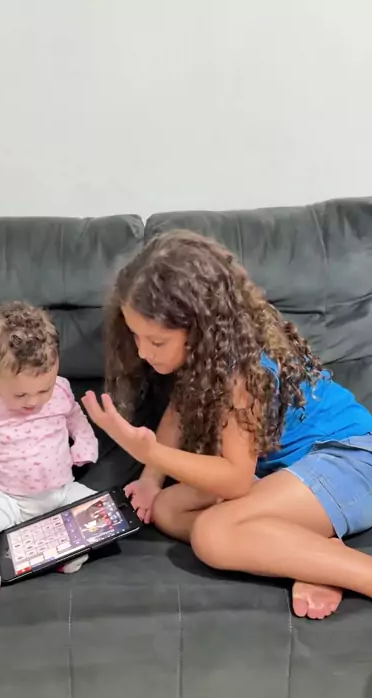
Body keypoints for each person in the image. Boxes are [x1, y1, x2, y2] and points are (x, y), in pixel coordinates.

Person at [82, 230, 372, 620]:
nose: (142, 352)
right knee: (167, 508)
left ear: (200, 328)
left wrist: (149, 452)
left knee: (213, 534)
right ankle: (309, 555)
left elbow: (235, 480)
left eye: (157, 341)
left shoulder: (244, 371)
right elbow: (178, 412)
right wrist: (150, 479)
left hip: (348, 459)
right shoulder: (205, 357)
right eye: (136, 336)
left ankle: (355, 572)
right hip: (282, 475)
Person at [0, 301, 98, 611]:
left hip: (61, 492)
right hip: (4, 496)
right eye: (21, 394)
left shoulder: (62, 390)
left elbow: (76, 418)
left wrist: (84, 444)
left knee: (101, 511)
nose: (34, 401)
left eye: (43, 390)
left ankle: (59, 553)